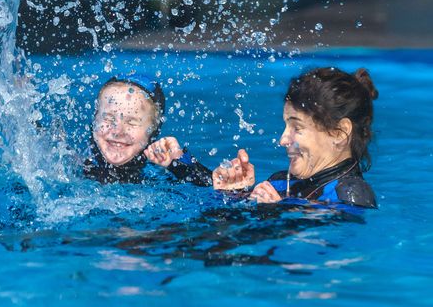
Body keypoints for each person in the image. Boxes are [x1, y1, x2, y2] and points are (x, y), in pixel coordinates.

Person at [213, 67, 378, 209]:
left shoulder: (352, 195)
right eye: (286, 126)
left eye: (297, 128)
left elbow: (334, 241)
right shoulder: (280, 183)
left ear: (340, 133)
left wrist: (277, 213)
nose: (283, 140)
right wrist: (231, 193)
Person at [83, 73, 213, 185]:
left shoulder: (157, 176)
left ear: (152, 131)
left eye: (132, 122)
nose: (117, 131)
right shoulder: (71, 168)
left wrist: (180, 164)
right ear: (95, 121)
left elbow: (219, 195)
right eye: (108, 119)